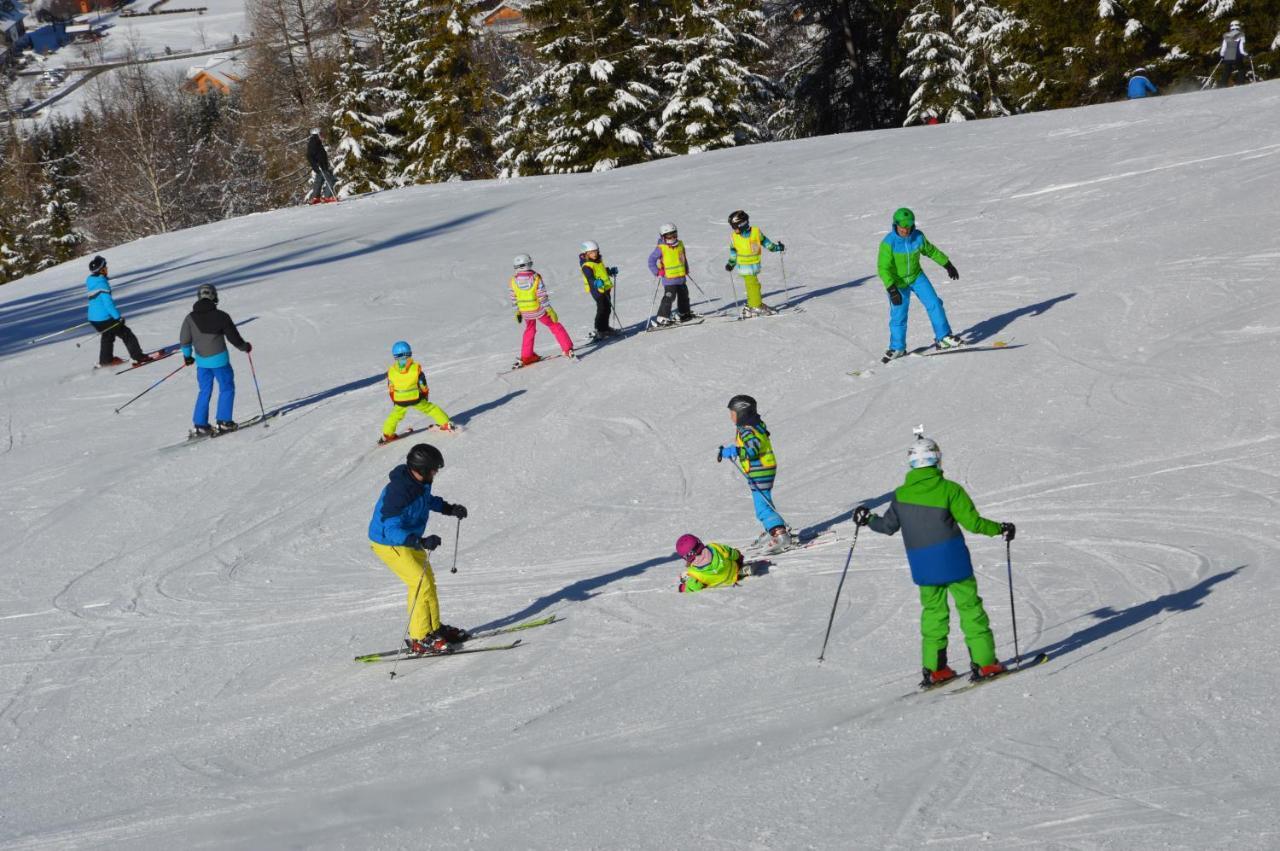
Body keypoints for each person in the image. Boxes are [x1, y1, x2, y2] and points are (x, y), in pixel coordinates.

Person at [852, 431, 1016, 687]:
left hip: (923, 565)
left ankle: (934, 668)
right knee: (971, 610)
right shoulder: (950, 489)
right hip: (954, 561)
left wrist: (868, 519)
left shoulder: (900, 494)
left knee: (933, 614)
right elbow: (973, 523)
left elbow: (887, 526)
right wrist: (1001, 529)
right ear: (937, 460)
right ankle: (985, 664)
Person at [367, 443, 470, 654]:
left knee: (428, 583)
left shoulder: (419, 482)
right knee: (419, 583)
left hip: (410, 539)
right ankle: (419, 638)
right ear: (422, 469)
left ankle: (433, 628)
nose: (436, 473)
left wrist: (448, 508)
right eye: (434, 469)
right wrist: (420, 541)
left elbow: (425, 500)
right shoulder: (399, 491)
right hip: (390, 543)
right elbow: (390, 528)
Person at [877, 207, 963, 362]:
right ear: (895, 225)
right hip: (898, 282)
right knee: (899, 314)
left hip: (917, 277)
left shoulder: (917, 237)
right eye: (902, 226)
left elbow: (931, 251)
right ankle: (898, 347)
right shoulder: (888, 243)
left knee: (934, 303)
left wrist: (947, 264)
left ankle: (943, 338)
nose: (905, 229)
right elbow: (883, 268)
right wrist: (891, 288)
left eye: (908, 226)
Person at [717, 394, 791, 553]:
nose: (731, 417)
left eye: (733, 413)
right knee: (764, 501)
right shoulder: (754, 425)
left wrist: (735, 450)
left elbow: (752, 449)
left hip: (761, 471)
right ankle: (772, 530)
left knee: (762, 506)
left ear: (742, 413)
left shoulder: (747, 430)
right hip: (761, 470)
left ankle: (780, 534)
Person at [178, 284, 251, 436]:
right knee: (226, 388)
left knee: (204, 390)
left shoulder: (189, 318)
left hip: (202, 362)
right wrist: (245, 347)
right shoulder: (222, 316)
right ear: (214, 297)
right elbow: (233, 337)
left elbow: (185, 339)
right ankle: (224, 422)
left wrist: (187, 356)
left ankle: (200, 425)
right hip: (220, 361)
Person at [84, 255, 162, 368]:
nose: (107, 269)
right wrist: (118, 318)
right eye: (105, 267)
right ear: (101, 270)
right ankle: (138, 357)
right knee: (126, 334)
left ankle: (106, 360)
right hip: (104, 317)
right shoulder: (101, 284)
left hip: (94, 318)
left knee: (108, 335)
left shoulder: (91, 280)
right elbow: (108, 304)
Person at [381, 340, 456, 444]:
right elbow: (422, 384)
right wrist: (425, 394)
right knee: (430, 408)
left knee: (395, 415)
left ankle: (387, 434)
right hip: (415, 397)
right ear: (410, 353)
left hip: (399, 399)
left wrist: (394, 398)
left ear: (395, 356)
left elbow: (391, 387)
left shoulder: (391, 371)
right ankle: (446, 423)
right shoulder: (416, 368)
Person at [510, 254, 575, 366]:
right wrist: (549, 309)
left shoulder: (513, 280)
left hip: (525, 312)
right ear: (527, 265)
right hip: (538, 309)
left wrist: (517, 311)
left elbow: (513, 297)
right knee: (554, 325)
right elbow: (542, 295)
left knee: (529, 330)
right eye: (530, 263)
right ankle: (567, 348)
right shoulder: (535, 278)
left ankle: (526, 356)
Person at [724, 210, 785, 317]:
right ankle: (755, 306)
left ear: (742, 224)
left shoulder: (756, 232)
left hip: (755, 265)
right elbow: (733, 251)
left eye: (735, 226)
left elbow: (767, 243)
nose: (734, 229)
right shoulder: (734, 237)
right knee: (753, 286)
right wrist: (731, 263)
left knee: (753, 286)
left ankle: (752, 305)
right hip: (744, 267)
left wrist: (777, 248)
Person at [646, 222, 696, 326]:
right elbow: (651, 261)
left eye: (674, 234)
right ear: (663, 236)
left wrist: (686, 268)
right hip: (669, 279)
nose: (672, 237)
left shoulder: (680, 244)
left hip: (681, 277)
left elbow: (683, 258)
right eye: (669, 235)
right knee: (669, 297)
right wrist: (658, 271)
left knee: (684, 296)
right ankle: (662, 317)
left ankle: (684, 313)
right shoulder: (661, 248)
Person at [675, 534, 744, 593]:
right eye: (692, 558)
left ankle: (743, 571)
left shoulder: (695, 573)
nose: (698, 558)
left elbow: (694, 586)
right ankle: (742, 571)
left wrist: (683, 588)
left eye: (699, 552)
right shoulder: (715, 548)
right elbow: (730, 552)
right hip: (730, 576)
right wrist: (738, 556)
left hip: (730, 576)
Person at [579, 240, 620, 340]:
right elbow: (590, 277)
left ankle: (605, 328)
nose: (595, 254)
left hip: (605, 289)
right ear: (586, 254)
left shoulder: (598, 261)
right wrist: (595, 282)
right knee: (601, 309)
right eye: (592, 252)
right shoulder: (587, 266)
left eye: (596, 251)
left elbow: (601, 271)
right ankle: (599, 330)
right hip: (597, 291)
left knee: (607, 308)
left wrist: (609, 271)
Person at [307, 128, 337, 204]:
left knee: (319, 181)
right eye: (321, 133)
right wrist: (316, 165)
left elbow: (317, 155)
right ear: (317, 134)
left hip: (321, 166)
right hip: (321, 166)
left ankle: (315, 198)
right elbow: (309, 156)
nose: (322, 135)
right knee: (331, 180)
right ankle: (328, 197)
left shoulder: (316, 142)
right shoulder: (314, 142)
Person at [1218, 21, 1248, 87]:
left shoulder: (1226, 35)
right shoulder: (1241, 35)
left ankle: (1222, 85)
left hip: (1228, 55)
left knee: (1227, 71)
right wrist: (1247, 54)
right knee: (1241, 69)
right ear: (1238, 26)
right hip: (1237, 56)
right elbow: (1241, 49)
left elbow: (1223, 48)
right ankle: (1240, 84)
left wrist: (1222, 55)